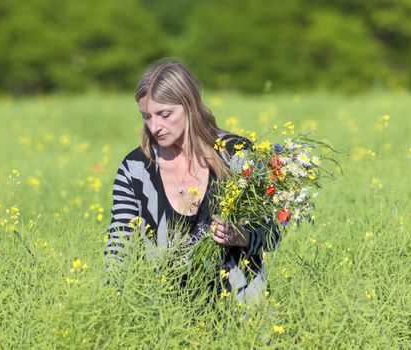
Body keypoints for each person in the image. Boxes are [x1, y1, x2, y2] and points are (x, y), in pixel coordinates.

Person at [104, 59, 280, 303]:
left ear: (189, 106)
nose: (155, 127)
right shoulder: (135, 168)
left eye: (165, 114)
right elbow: (118, 242)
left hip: (242, 312)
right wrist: (110, 300)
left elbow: (272, 233)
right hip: (167, 314)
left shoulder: (237, 154)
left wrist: (241, 236)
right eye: (146, 116)